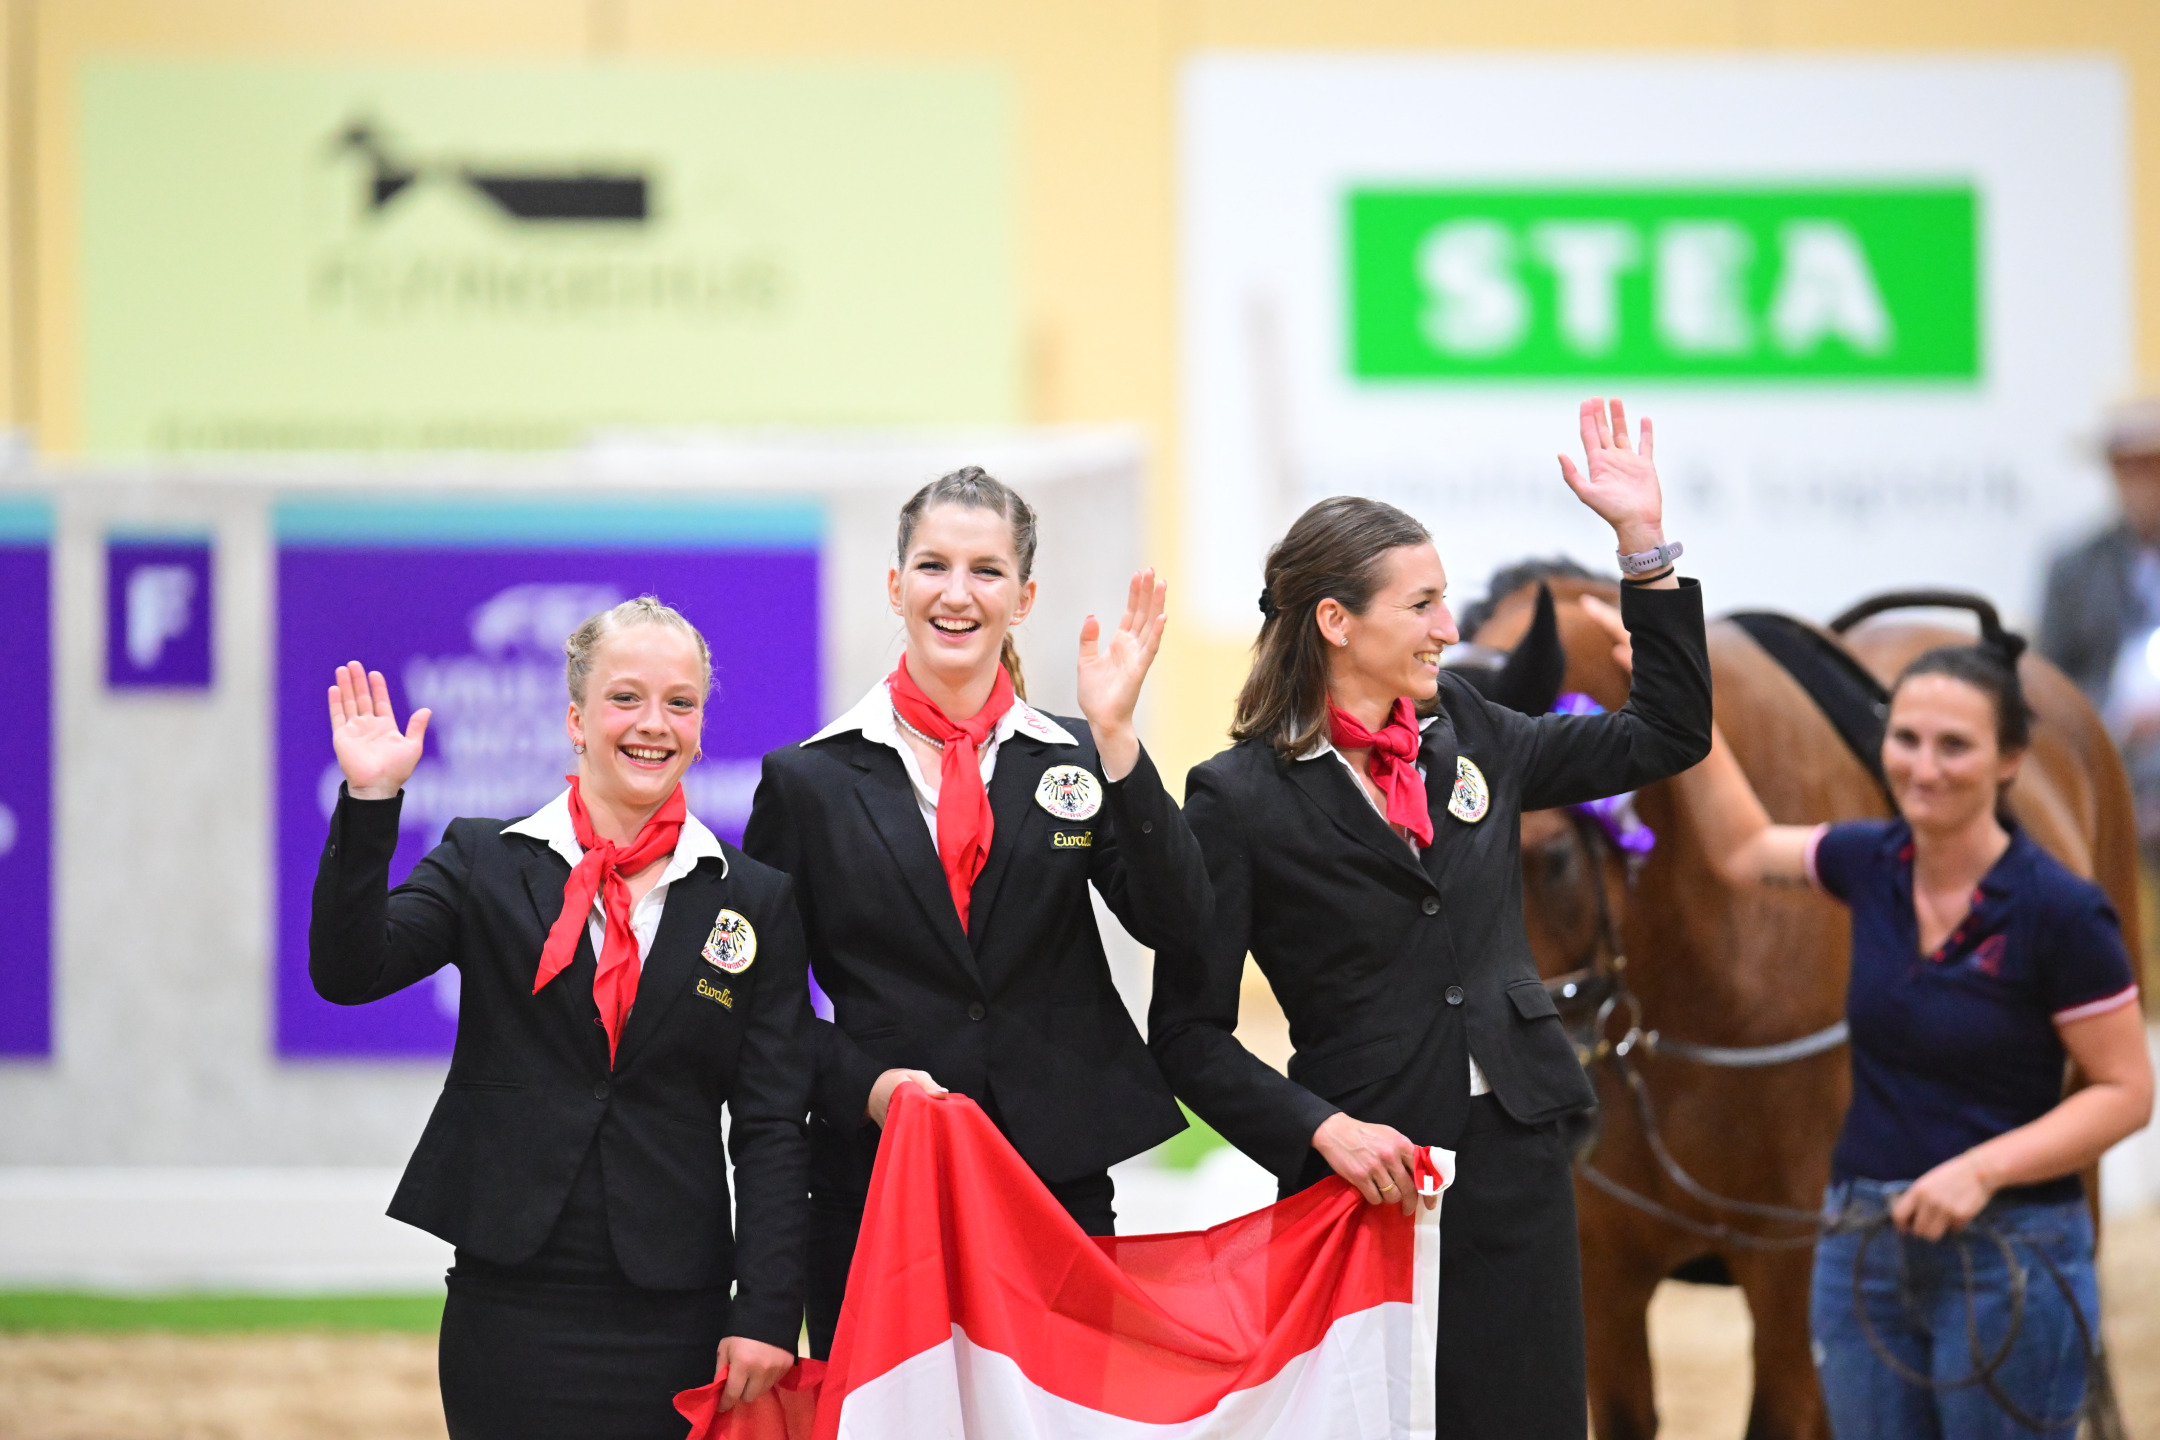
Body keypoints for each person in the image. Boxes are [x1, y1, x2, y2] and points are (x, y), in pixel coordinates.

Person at [1148, 399, 1712, 1438]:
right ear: (1336, 622)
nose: (1450, 629)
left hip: (1519, 1152)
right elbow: (1186, 1036)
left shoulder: (1477, 732)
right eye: (1423, 605)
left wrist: (1643, 547)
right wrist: (1321, 1131)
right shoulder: (1235, 796)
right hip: (1357, 1179)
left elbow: (1670, 731)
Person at [310, 598, 812, 1440]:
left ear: (698, 725)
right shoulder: (483, 860)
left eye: (679, 702)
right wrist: (370, 801)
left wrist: (766, 1308)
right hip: (510, 1305)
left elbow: (771, 1125)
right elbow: (349, 972)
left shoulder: (753, 898)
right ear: (577, 720)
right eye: (625, 698)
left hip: (676, 1313)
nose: (653, 724)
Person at [743, 465, 1206, 1358]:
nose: (957, 594)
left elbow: (1180, 923)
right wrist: (867, 1088)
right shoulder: (807, 780)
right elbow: (764, 1009)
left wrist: (1118, 740)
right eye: (933, 566)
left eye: (986, 571)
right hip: (875, 1177)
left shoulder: (1076, 756)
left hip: (1057, 1175)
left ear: (1024, 597)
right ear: (895, 584)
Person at [1657, 622, 2154, 1436]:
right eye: (1908, 739)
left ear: (2009, 761)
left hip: (2010, 1255)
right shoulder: (1872, 863)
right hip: (1865, 1253)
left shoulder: (2060, 912)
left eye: (1954, 745)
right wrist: (1676, 679)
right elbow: (1742, 847)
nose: (1923, 768)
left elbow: (2127, 1092)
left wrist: (1982, 1171)